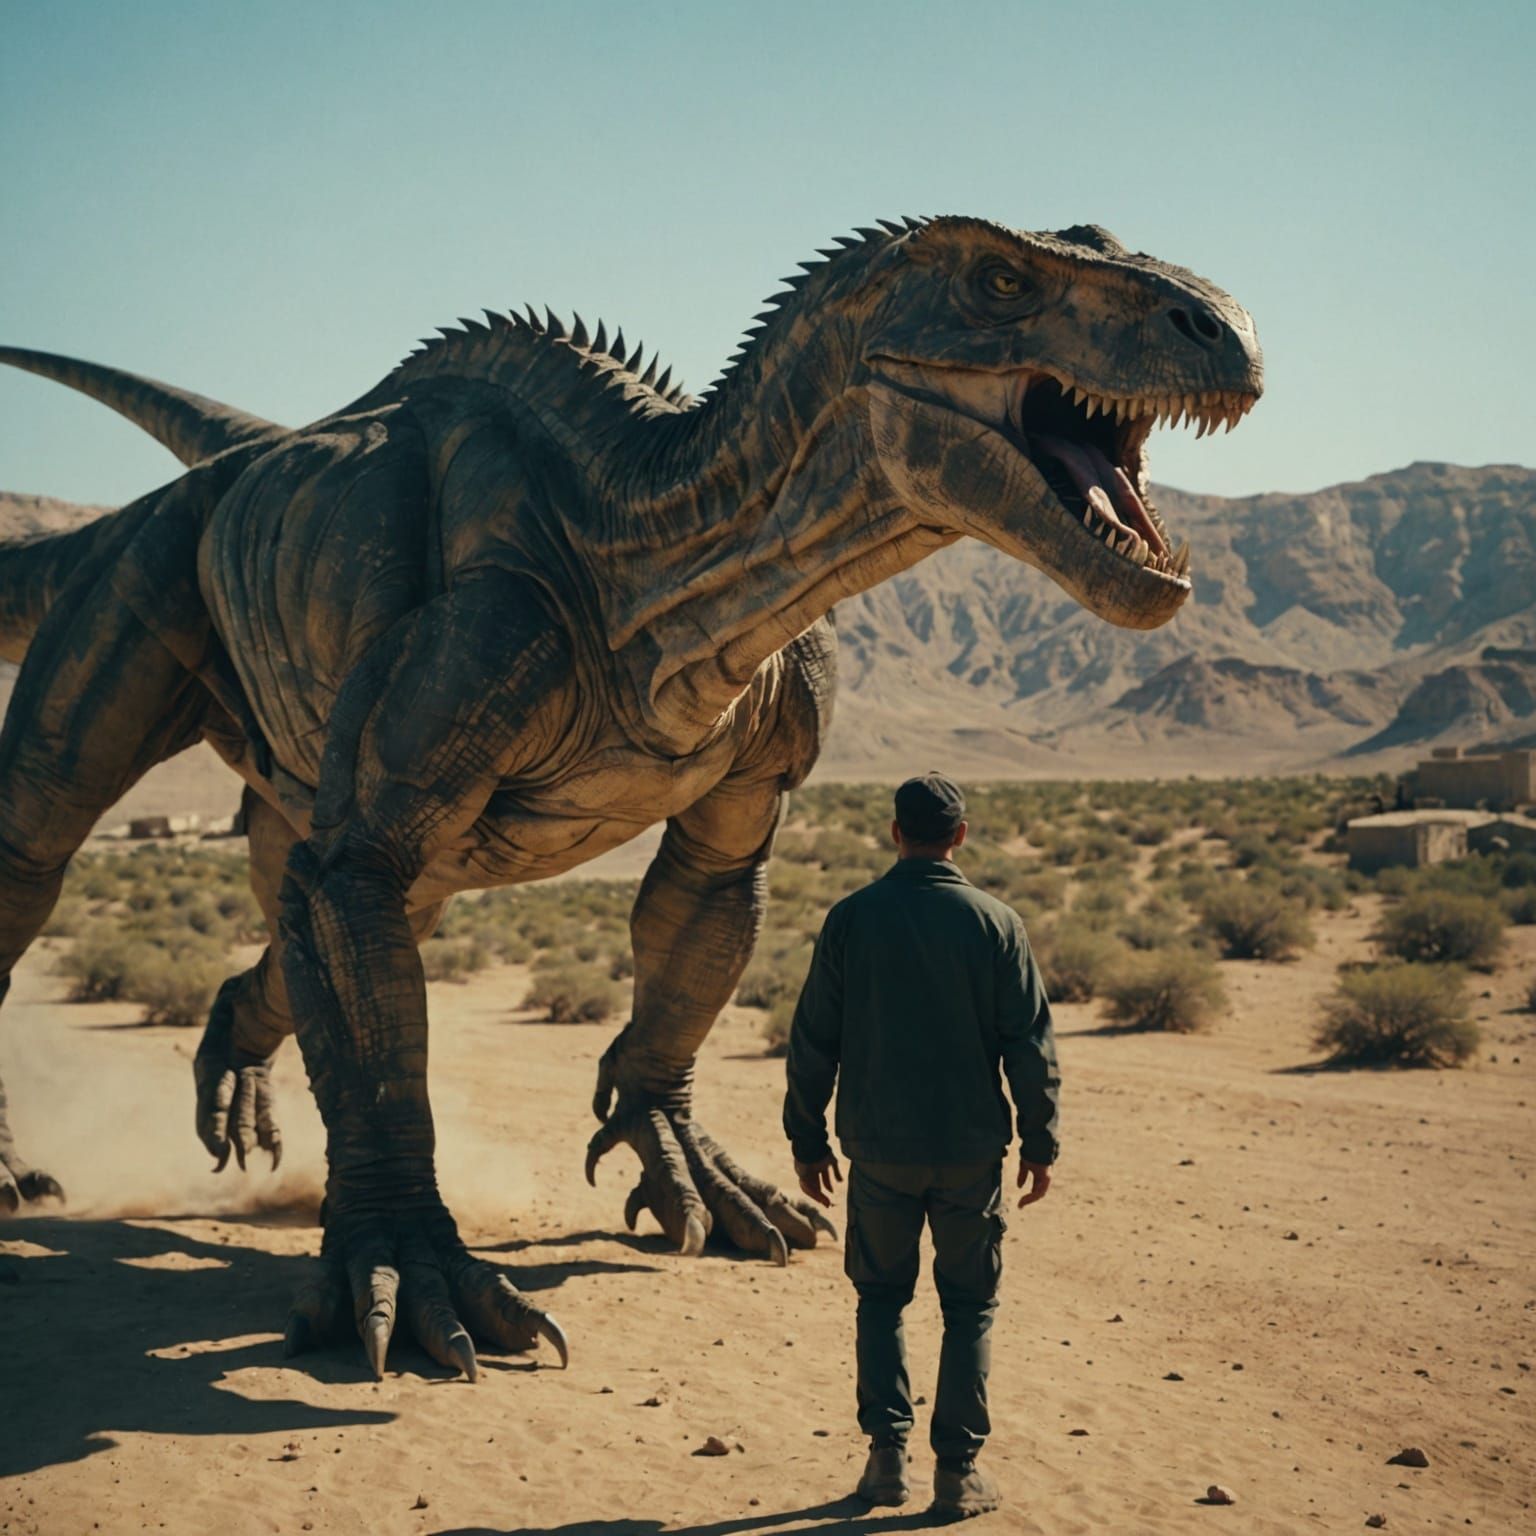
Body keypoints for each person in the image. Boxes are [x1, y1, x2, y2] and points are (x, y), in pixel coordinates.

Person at [782, 772, 1059, 1518]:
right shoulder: (997, 922)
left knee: (880, 1299)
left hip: (879, 1152)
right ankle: (958, 1472)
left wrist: (806, 1138)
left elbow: (813, 1039)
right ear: (959, 836)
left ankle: (884, 1464)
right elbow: (1029, 1044)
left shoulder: (851, 920)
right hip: (972, 1152)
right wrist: (1041, 1141)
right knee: (968, 1307)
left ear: (895, 833)